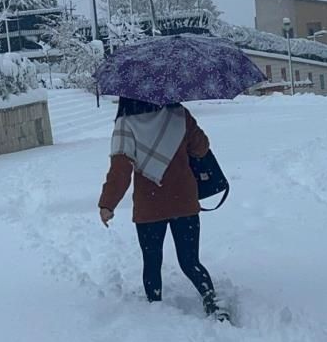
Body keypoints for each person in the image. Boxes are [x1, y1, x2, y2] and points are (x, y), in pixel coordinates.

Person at [98, 97, 230, 321]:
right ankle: (212, 301)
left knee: (152, 261)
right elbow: (201, 148)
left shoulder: (125, 124)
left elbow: (120, 169)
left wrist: (107, 204)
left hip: (150, 206)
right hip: (184, 200)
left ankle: (155, 306)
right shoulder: (179, 114)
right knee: (190, 261)